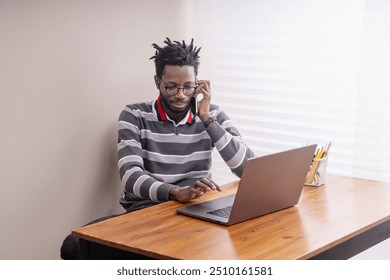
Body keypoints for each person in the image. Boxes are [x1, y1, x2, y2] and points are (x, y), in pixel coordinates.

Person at [60, 38, 255, 259]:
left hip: (197, 211)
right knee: (73, 245)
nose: (180, 94)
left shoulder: (212, 115)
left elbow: (248, 169)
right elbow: (131, 177)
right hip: (148, 210)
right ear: (157, 81)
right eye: (171, 86)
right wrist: (175, 192)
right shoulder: (134, 116)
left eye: (188, 86)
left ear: (198, 84)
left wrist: (207, 119)